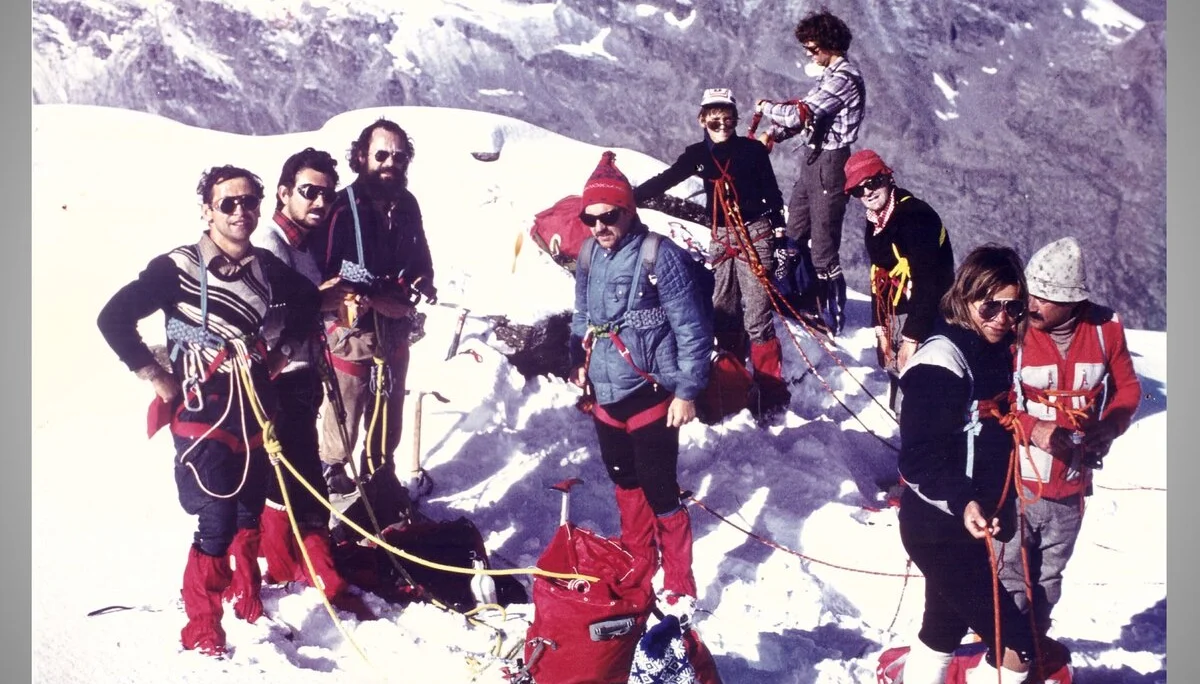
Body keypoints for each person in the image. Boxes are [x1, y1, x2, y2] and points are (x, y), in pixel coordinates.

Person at [97, 165, 319, 657]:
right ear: (207, 210)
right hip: (201, 407)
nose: (241, 212)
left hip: (255, 403)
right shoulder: (175, 268)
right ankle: (203, 622)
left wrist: (282, 352)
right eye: (228, 204)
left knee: (249, 507)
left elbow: (305, 300)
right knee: (217, 513)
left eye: (249, 203)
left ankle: (246, 594)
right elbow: (113, 317)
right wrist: (155, 376)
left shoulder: (265, 267)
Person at [569, 151, 713, 619]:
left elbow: (692, 328)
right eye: (590, 218)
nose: (599, 226)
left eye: (609, 216)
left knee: (659, 487)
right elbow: (581, 313)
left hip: (652, 390)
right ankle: (638, 561)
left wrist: (688, 391)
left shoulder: (659, 255)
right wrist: (578, 357)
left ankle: (679, 581)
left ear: (629, 210)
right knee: (624, 480)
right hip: (606, 391)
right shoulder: (590, 254)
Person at [895, 245, 1035, 684]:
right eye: (989, 304)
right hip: (938, 525)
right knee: (1016, 644)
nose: (1001, 317)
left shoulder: (996, 352)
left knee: (944, 626)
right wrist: (965, 501)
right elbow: (918, 456)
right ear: (965, 298)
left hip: (966, 521)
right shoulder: (941, 362)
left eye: (1012, 307)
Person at [999, 237, 1141, 651]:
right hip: (1018, 483)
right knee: (1007, 572)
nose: (1034, 305)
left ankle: (1033, 651)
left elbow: (1127, 388)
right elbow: (993, 402)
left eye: (1047, 298)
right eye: (1033, 293)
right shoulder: (1014, 328)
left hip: (1071, 487)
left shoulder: (1104, 329)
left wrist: (1111, 426)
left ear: (1074, 302)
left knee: (1049, 579)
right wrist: (1036, 428)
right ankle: (1005, 654)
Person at [251, 147, 373, 618]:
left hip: (300, 372)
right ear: (284, 193)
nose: (319, 202)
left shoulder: (303, 243)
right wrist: (326, 301)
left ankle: (298, 560)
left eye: (326, 194)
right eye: (308, 192)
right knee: (288, 469)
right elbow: (273, 307)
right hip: (276, 374)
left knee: (297, 468)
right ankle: (292, 563)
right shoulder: (268, 242)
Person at [634, 87, 790, 416]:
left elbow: (772, 194)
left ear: (735, 120)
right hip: (721, 237)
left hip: (754, 235)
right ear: (702, 119)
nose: (721, 124)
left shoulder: (752, 152)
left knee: (757, 316)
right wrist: (629, 197)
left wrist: (778, 233)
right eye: (714, 118)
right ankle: (731, 382)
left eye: (728, 119)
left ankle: (770, 395)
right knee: (722, 310)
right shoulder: (697, 156)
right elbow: (667, 179)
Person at [313, 118, 437, 496]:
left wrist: (422, 280)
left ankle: (379, 474)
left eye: (398, 157)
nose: (390, 164)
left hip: (394, 331)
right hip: (353, 332)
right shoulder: (341, 208)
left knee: (388, 411)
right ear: (361, 157)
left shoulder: (406, 205)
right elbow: (331, 271)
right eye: (381, 155)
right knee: (344, 414)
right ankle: (333, 476)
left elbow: (420, 255)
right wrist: (379, 297)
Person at [754, 10, 866, 336]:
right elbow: (807, 117)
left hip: (830, 163)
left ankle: (830, 315)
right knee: (795, 228)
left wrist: (766, 109)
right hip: (813, 159)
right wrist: (774, 135)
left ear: (831, 44)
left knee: (823, 246)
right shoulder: (830, 77)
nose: (809, 53)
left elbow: (801, 113)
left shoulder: (843, 78)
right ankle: (795, 295)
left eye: (813, 48)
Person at [844, 149, 954, 408]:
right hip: (901, 317)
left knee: (924, 396)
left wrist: (911, 338)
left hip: (929, 318)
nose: (867, 192)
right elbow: (878, 277)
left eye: (871, 183)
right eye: (858, 190)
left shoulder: (915, 216)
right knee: (903, 391)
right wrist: (881, 332)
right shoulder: (876, 220)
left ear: (886, 178)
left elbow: (929, 280)